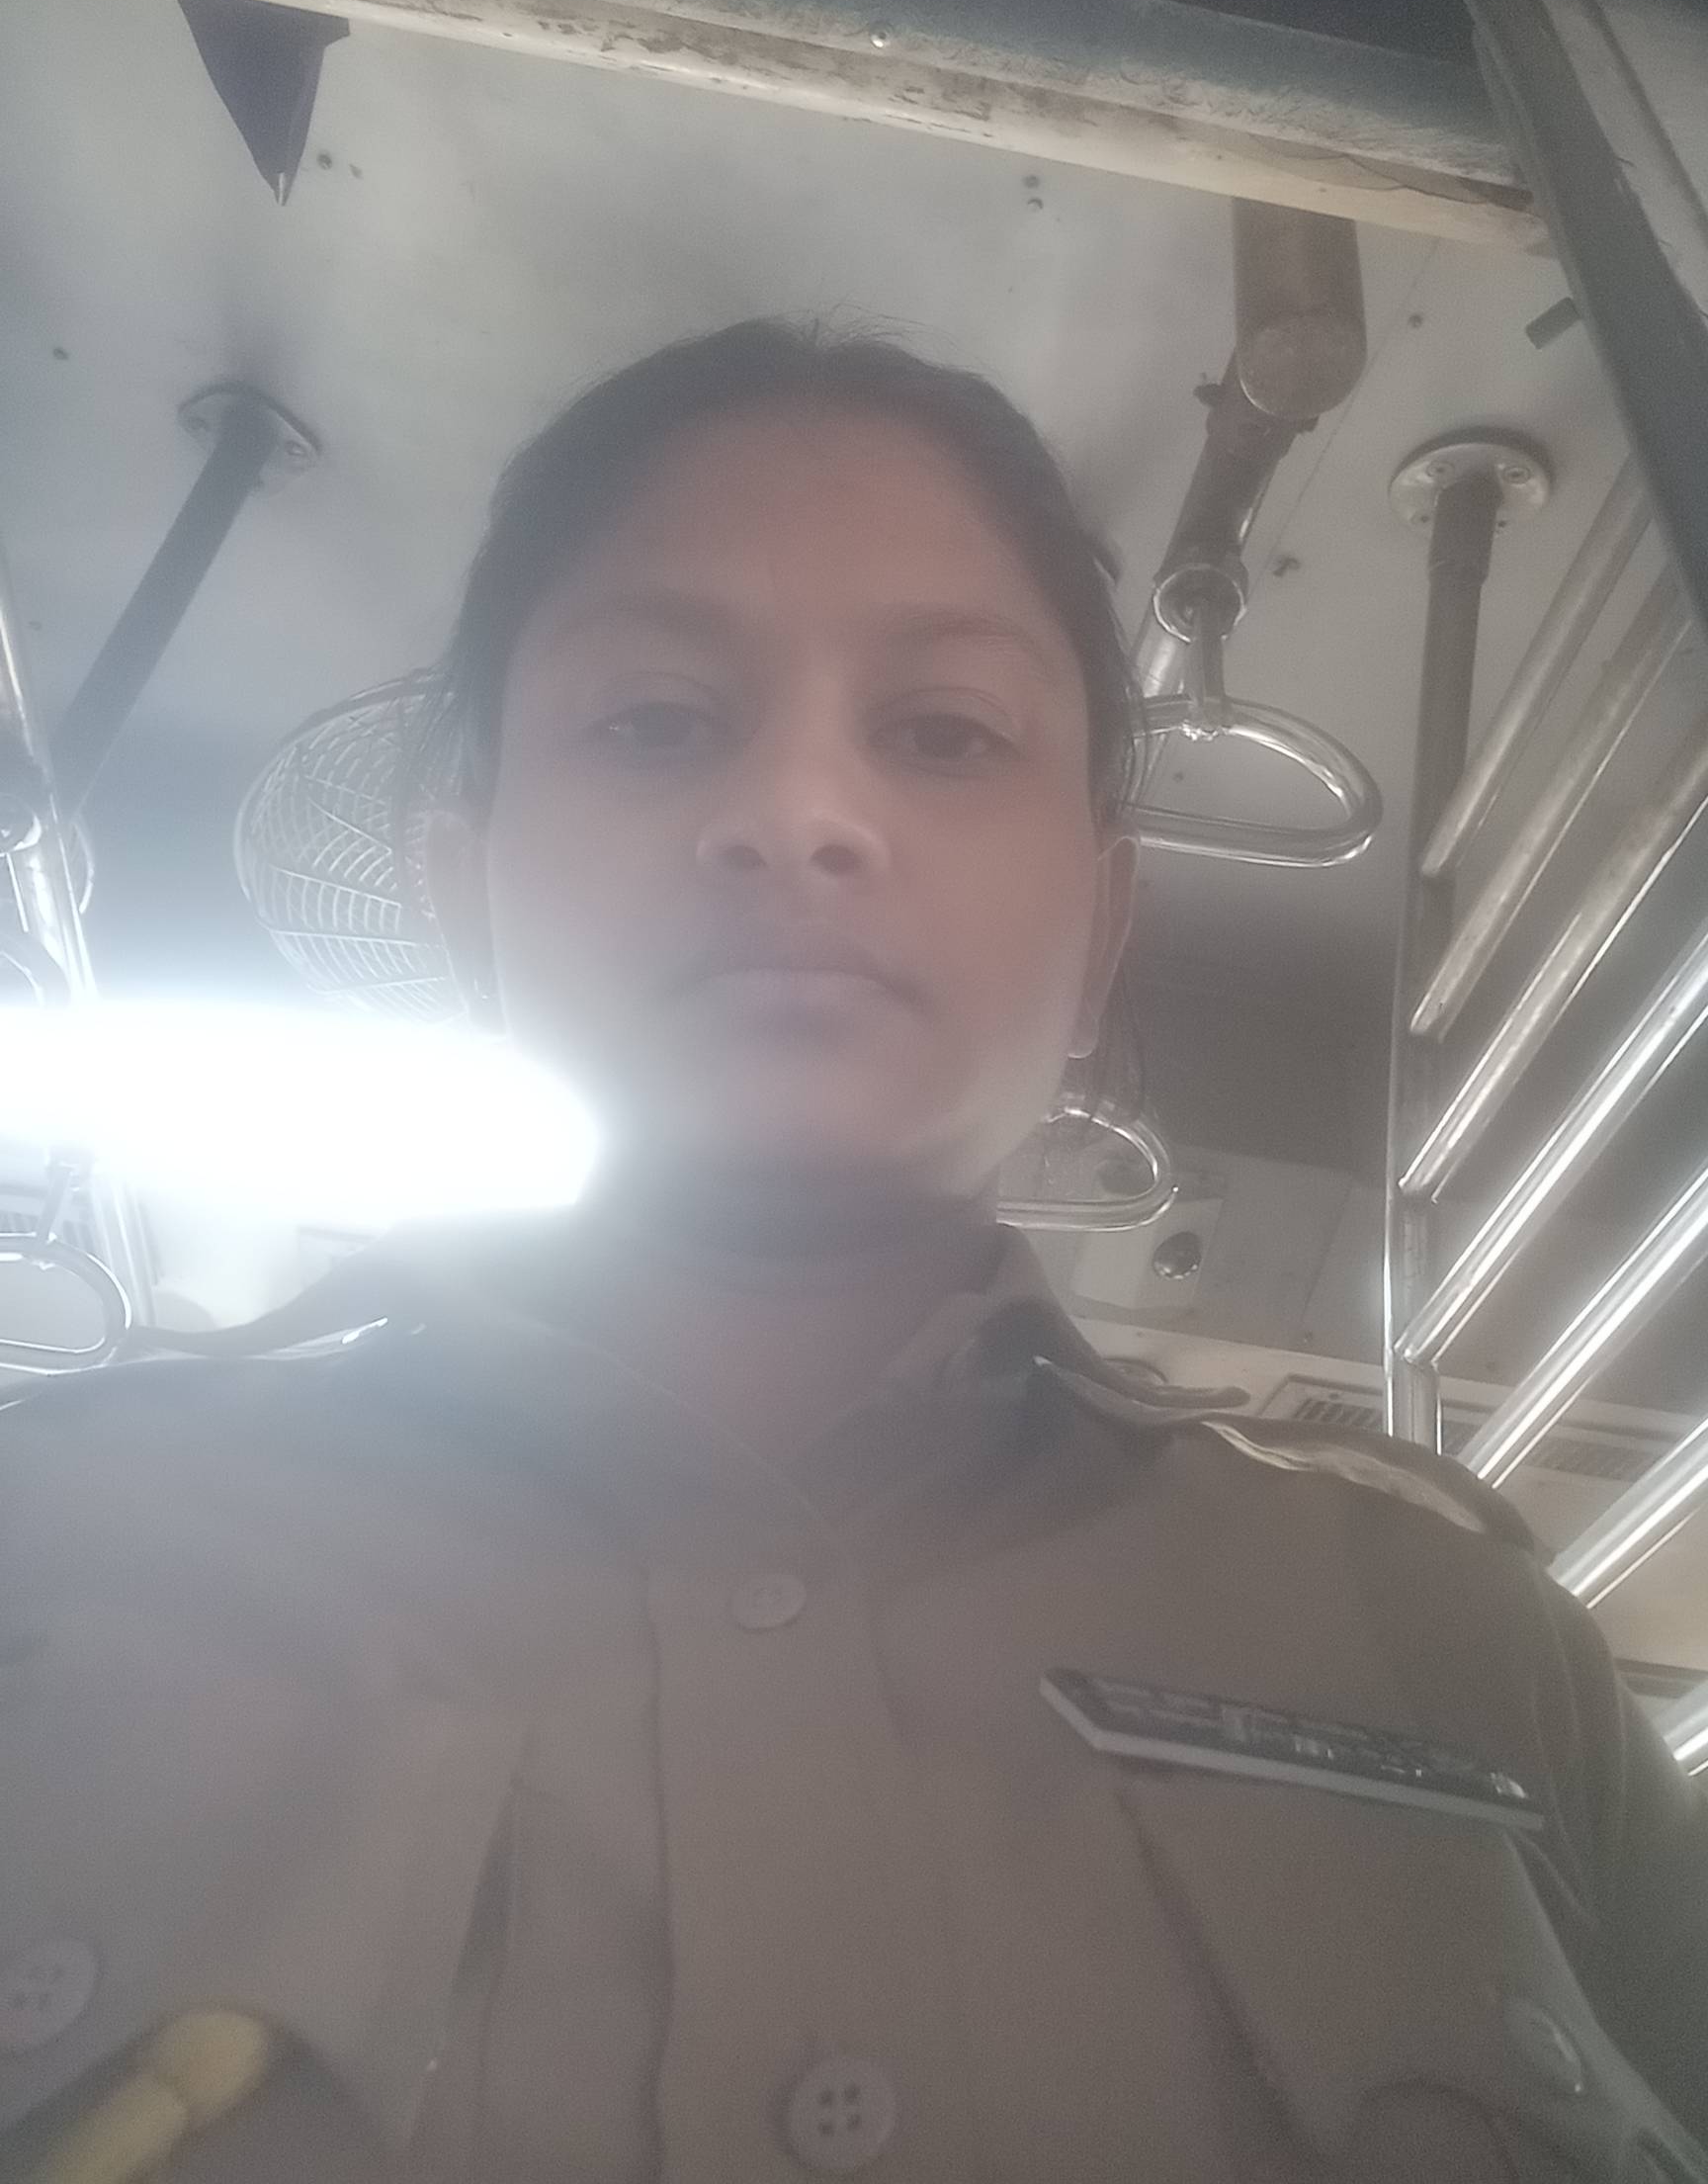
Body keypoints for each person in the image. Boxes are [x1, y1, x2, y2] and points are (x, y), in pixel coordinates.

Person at [2, 320, 1704, 2184]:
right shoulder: (50, 1537)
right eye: (657, 721)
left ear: (1101, 927)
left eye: (945, 733)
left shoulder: (1471, 1657)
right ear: (460, 887)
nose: (796, 815)